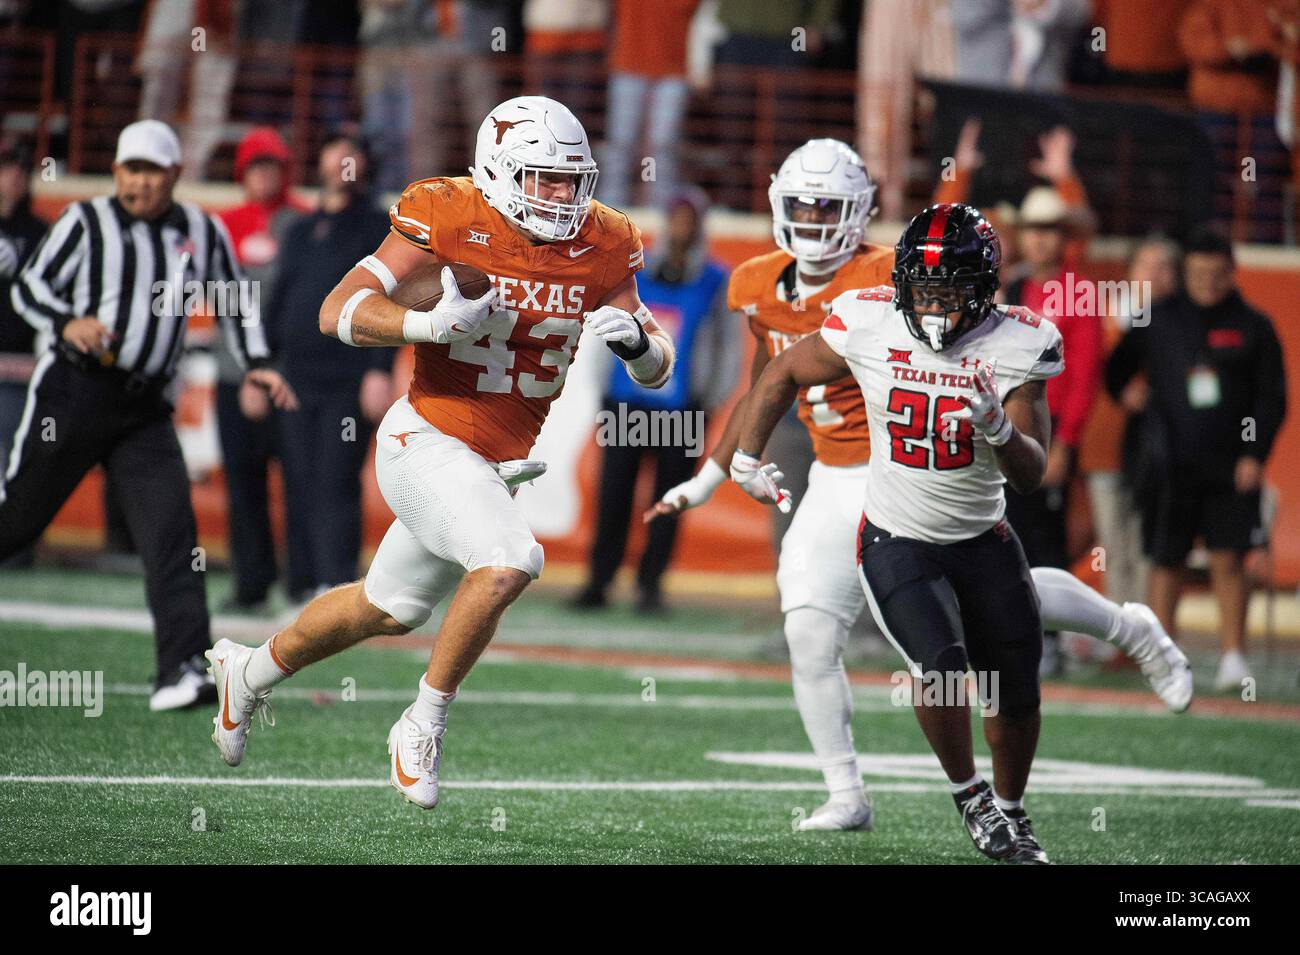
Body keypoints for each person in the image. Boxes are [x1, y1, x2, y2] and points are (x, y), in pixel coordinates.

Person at [649, 153, 1190, 834]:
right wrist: (714, 473)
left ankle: (1123, 629)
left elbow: (955, 243)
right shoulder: (761, 283)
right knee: (809, 629)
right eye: (803, 207)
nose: (814, 222)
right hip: (831, 474)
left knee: (985, 601)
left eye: (828, 208)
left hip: (906, 463)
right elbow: (771, 375)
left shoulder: (890, 273)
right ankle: (846, 792)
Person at [205, 97, 675, 812]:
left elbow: (658, 369)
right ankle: (421, 721)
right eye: (544, 178)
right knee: (512, 559)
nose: (562, 195)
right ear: (497, 170)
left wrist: (640, 345)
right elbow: (338, 310)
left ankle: (248, 672)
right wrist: (425, 323)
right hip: (422, 437)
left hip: (488, 465)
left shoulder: (605, 241)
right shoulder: (449, 213)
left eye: (571, 179)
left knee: (386, 605)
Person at [729, 204, 1061, 862]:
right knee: (940, 668)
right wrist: (745, 455)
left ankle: (1014, 812)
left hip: (981, 536)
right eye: (923, 287)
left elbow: (1031, 474)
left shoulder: (1021, 340)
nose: (934, 302)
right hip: (896, 535)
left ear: (984, 287)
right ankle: (972, 799)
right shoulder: (868, 318)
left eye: (950, 288)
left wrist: (999, 429)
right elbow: (784, 370)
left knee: (1016, 688)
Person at [2, 119, 297, 710]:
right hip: (76, 392)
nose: (139, 184)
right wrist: (67, 323)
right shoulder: (87, 222)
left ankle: (182, 668)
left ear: (175, 174)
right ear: (116, 173)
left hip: (143, 408)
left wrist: (259, 362)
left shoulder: (199, 228)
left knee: (171, 533)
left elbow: (235, 300)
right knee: (17, 520)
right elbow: (29, 286)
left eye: (151, 172)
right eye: (130, 171)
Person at [1106, 227, 1287, 691]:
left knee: (1229, 559)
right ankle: (1162, 656)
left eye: (1216, 274)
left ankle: (1232, 658)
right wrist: (1127, 392)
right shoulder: (1157, 318)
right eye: (1198, 273)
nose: (1206, 282)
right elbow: (1115, 368)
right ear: (1185, 272)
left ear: (1232, 273)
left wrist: (1255, 454)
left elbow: (1272, 398)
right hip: (1168, 464)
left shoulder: (1254, 325)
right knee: (1166, 560)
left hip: (1231, 466)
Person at [572, 185, 735, 613]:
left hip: (683, 408)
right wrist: (601, 387)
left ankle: (650, 584)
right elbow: (607, 324)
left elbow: (726, 345)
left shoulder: (716, 280)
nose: (682, 228)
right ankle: (599, 580)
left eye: (689, 220)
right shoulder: (637, 271)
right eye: (676, 218)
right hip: (627, 401)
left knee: (668, 499)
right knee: (614, 495)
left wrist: (712, 399)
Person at [269, 131, 395, 602]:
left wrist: (379, 369)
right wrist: (264, 365)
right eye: (334, 149)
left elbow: (387, 301)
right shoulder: (300, 229)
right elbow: (278, 300)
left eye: (352, 153)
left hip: (347, 377)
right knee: (297, 477)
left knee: (336, 478)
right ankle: (299, 582)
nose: (342, 161)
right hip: (295, 377)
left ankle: (336, 584)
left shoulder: (376, 228)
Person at [1001, 185, 1104, 674]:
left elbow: (1084, 375)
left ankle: (1052, 639)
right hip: (1009, 422)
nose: (1041, 240)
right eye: (1034, 229)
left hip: (1051, 427)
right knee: (1008, 529)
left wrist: (1065, 442)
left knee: (1045, 538)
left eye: (1050, 230)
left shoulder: (1078, 291)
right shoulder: (1013, 287)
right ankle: (1019, 633)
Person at [216, 127, 309, 612]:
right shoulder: (221, 225)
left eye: (272, 166)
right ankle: (251, 582)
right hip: (233, 375)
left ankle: (302, 583)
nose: (265, 176)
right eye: (256, 166)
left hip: (289, 377)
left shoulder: (303, 223)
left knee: (300, 479)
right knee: (243, 481)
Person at [0, 134, 47, 569]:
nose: (14, 176)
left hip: (18, 367)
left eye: (20, 169)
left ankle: (15, 549)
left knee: (16, 461)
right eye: (6, 167)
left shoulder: (38, 234)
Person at [600, 0, 698, 208]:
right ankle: (611, 205)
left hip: (673, 68)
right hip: (628, 64)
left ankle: (658, 205)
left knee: (662, 142)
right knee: (621, 141)